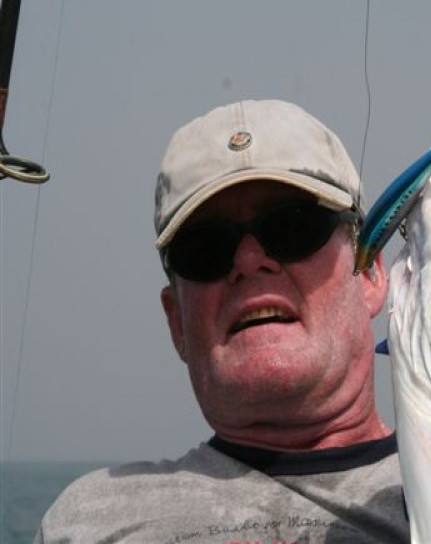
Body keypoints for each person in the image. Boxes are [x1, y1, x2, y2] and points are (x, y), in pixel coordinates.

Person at [35, 100, 409, 543]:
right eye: (206, 247)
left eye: (293, 227)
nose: (249, 260)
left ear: (370, 273)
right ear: (176, 323)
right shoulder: (86, 521)